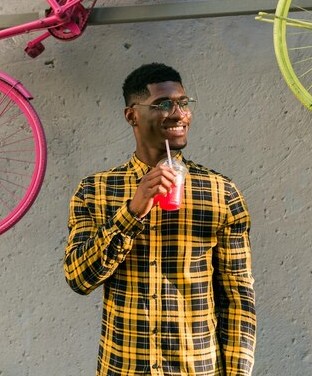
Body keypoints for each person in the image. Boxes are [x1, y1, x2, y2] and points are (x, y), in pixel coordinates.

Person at [64, 63, 256, 376]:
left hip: (197, 368)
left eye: (183, 103)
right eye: (163, 105)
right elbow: (79, 278)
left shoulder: (221, 192)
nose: (178, 114)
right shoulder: (95, 190)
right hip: (122, 368)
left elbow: (238, 301)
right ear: (132, 115)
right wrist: (132, 211)